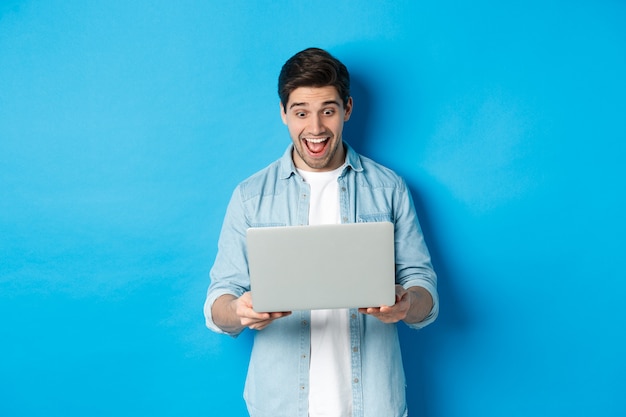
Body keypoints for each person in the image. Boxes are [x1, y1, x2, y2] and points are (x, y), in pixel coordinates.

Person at [204, 47, 439, 417]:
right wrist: (238, 309)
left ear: (347, 108)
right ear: (283, 113)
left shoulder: (389, 188)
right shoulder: (250, 196)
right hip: (279, 405)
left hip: (373, 403)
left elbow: (422, 286)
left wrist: (408, 303)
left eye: (327, 111)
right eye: (301, 113)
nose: (315, 129)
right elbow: (219, 303)